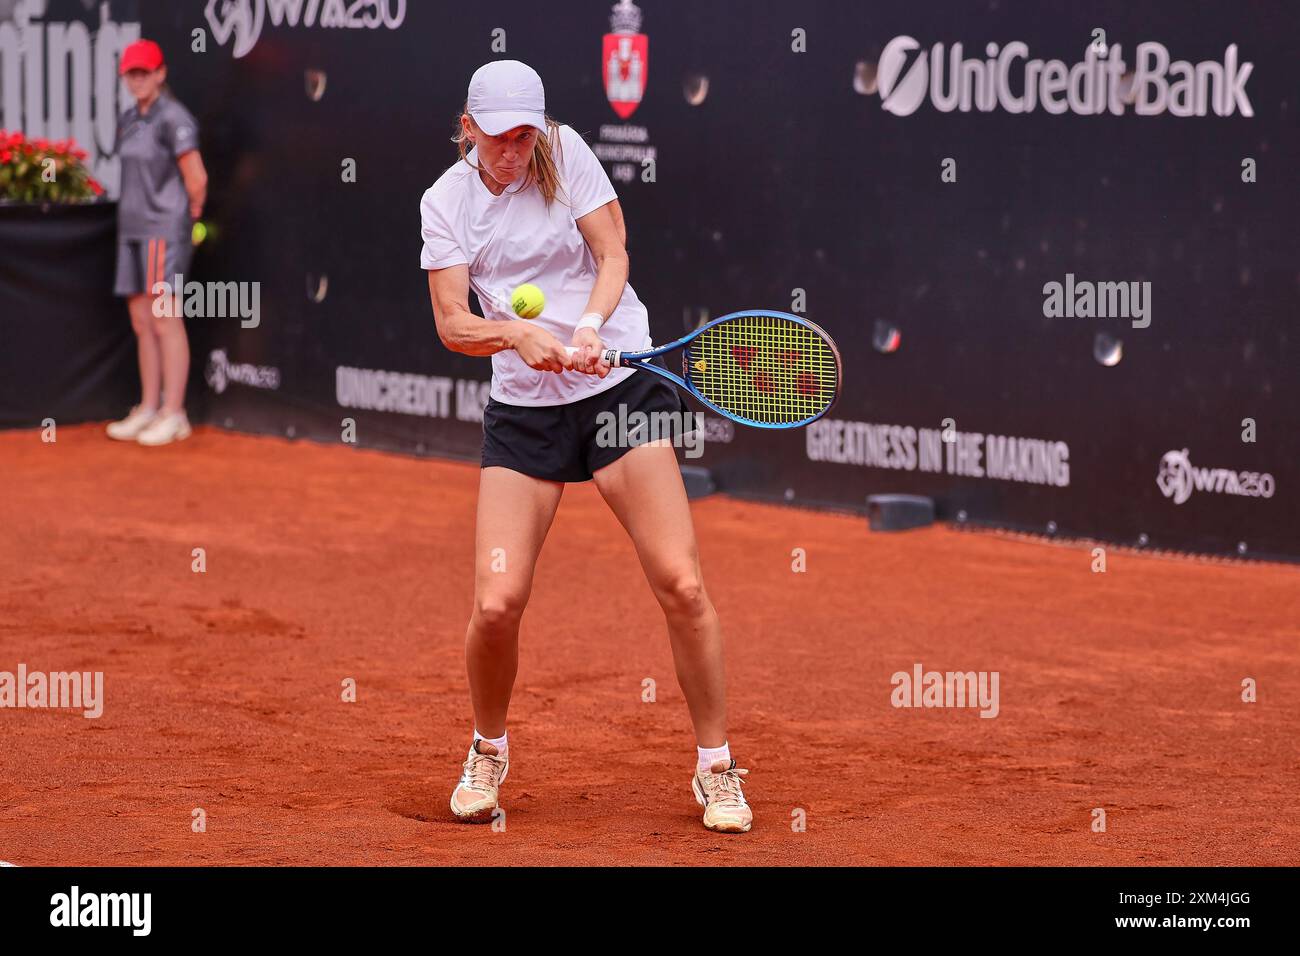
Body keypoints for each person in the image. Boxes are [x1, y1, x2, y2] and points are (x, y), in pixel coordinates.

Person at [421, 60, 752, 833]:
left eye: (525, 136)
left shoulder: (564, 152)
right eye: (499, 138)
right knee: (497, 603)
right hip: (526, 415)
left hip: (616, 395)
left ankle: (717, 767)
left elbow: (614, 256)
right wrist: (517, 334)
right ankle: (488, 748)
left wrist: (592, 327)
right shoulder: (445, 201)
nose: (514, 152)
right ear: (467, 128)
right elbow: (450, 322)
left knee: (681, 582)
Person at [105, 39, 207, 446]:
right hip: (130, 231)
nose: (137, 79)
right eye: (131, 73)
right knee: (141, 321)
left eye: (144, 72)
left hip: (163, 232)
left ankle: (174, 412)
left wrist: (185, 221)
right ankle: (148, 407)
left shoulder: (174, 117)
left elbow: (196, 179)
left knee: (165, 319)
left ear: (161, 74)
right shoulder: (128, 119)